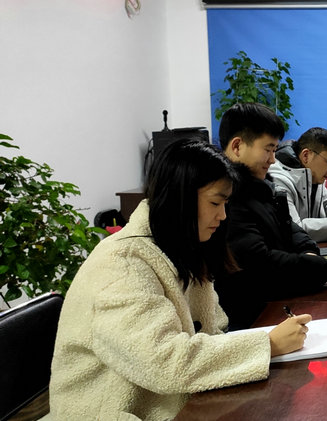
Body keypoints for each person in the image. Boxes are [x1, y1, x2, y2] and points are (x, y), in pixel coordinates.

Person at [49, 140, 312, 420]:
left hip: (170, 399)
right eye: (215, 203)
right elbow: (163, 363)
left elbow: (212, 328)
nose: (223, 215)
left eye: (225, 204)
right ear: (179, 198)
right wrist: (267, 345)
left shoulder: (182, 248)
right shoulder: (122, 263)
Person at [216, 104, 327, 329]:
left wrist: (309, 253)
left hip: (280, 299)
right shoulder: (226, 196)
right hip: (253, 319)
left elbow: (291, 227)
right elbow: (261, 264)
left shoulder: (262, 184)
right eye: (268, 149)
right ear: (237, 146)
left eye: (275, 150)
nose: (273, 160)